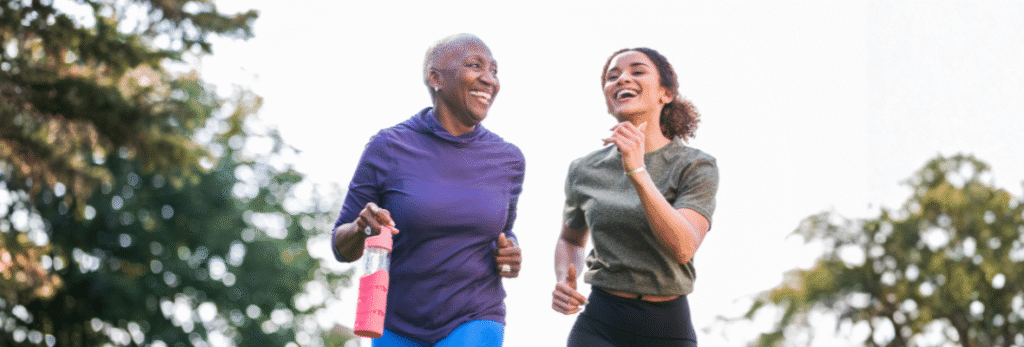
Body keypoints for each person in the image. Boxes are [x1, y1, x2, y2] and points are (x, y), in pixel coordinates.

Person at [331, 33, 524, 347]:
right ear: (435, 78)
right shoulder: (388, 147)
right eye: (476, 66)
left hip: (475, 314)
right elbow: (341, 247)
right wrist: (360, 228)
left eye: (495, 71)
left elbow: (502, 232)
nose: (489, 80)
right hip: (396, 322)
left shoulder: (509, 159)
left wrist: (510, 253)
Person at [551, 47, 718, 347]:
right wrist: (565, 277)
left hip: (667, 326)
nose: (622, 79)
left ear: (665, 94)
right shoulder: (584, 169)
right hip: (600, 321)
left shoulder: (695, 165)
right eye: (612, 76)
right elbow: (570, 239)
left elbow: (683, 247)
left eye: (637, 71)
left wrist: (637, 170)